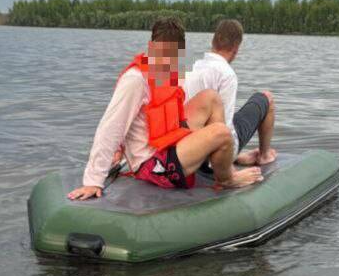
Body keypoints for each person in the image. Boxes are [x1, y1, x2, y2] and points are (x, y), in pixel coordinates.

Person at [68, 16, 262, 200]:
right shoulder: (135, 80)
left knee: (210, 97)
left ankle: (220, 162)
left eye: (172, 55)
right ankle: (227, 179)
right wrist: (93, 180)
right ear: (151, 47)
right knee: (222, 132)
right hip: (152, 164)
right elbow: (111, 127)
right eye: (162, 54)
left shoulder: (165, 73)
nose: (167, 62)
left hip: (167, 145)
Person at [185, 19, 277, 168]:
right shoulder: (226, 74)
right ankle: (265, 156)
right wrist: (231, 160)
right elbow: (224, 130)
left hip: (194, 148)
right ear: (236, 48)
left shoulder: (195, 67)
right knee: (266, 98)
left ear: (213, 42)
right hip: (215, 153)